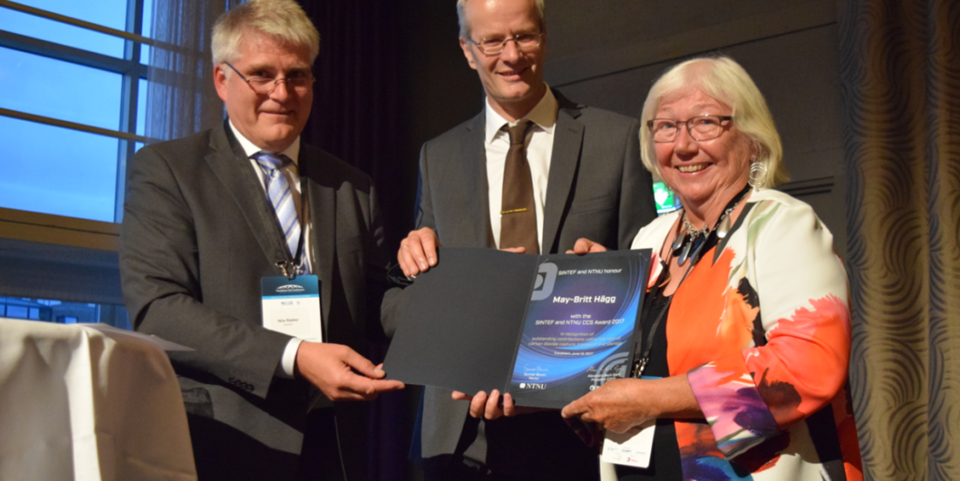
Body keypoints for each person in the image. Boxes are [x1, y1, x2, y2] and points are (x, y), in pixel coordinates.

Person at [119, 1, 403, 479]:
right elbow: (159, 306)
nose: (282, 92)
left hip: (334, 442)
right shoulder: (168, 170)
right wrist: (295, 355)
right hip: (223, 441)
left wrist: (448, 289)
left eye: (297, 75)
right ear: (222, 80)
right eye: (262, 74)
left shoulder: (353, 185)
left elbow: (378, 302)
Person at [560, 56, 863, 480]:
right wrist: (593, 297)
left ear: (752, 138)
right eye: (666, 126)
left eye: (705, 122)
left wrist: (652, 399)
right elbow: (629, 364)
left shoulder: (782, 225)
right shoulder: (650, 237)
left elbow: (809, 367)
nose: (683, 145)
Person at [394, 0, 657, 479]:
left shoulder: (615, 140)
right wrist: (414, 259)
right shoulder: (439, 156)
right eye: (492, 41)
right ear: (467, 50)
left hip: (574, 427)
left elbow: (651, 294)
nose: (511, 55)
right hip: (459, 432)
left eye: (524, 36)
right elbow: (424, 275)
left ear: (545, 36)